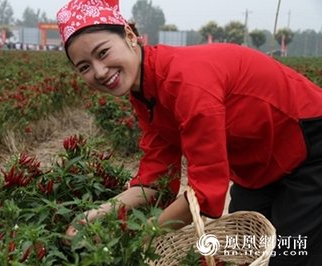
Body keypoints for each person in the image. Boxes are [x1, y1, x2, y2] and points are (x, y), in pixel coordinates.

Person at [56, 1, 322, 265]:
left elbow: (205, 194)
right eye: (84, 67)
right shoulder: (145, 91)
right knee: (244, 247)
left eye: (102, 53)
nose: (99, 72)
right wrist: (94, 215)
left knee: (293, 254)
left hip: (307, 144)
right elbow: (156, 178)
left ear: (129, 35)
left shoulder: (185, 82)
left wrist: (143, 235)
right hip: (259, 161)